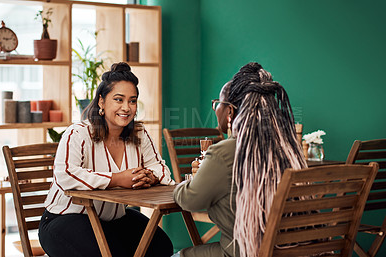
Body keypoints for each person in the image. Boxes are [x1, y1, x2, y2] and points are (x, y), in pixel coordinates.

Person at [39, 62, 175, 257]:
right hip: (65, 218)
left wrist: (150, 177)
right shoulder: (78, 133)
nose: (126, 108)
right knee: (110, 253)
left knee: (161, 247)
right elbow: (66, 175)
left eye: (132, 101)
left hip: (113, 220)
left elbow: (161, 169)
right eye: (118, 100)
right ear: (102, 102)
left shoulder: (139, 133)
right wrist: (118, 179)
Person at [172, 62, 307, 257]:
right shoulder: (287, 149)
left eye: (218, 103)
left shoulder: (224, 152)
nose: (215, 108)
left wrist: (184, 184)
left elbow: (189, 200)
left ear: (230, 112)